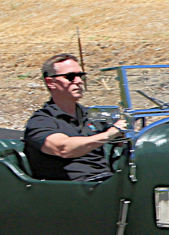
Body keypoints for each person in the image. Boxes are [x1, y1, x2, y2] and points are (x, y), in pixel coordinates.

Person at [23, 53, 125, 181]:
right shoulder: (41, 120)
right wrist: (109, 134)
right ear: (51, 82)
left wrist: (127, 131)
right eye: (70, 77)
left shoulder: (92, 114)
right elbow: (63, 148)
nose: (79, 81)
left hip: (107, 181)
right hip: (74, 188)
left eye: (81, 76)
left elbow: (123, 137)